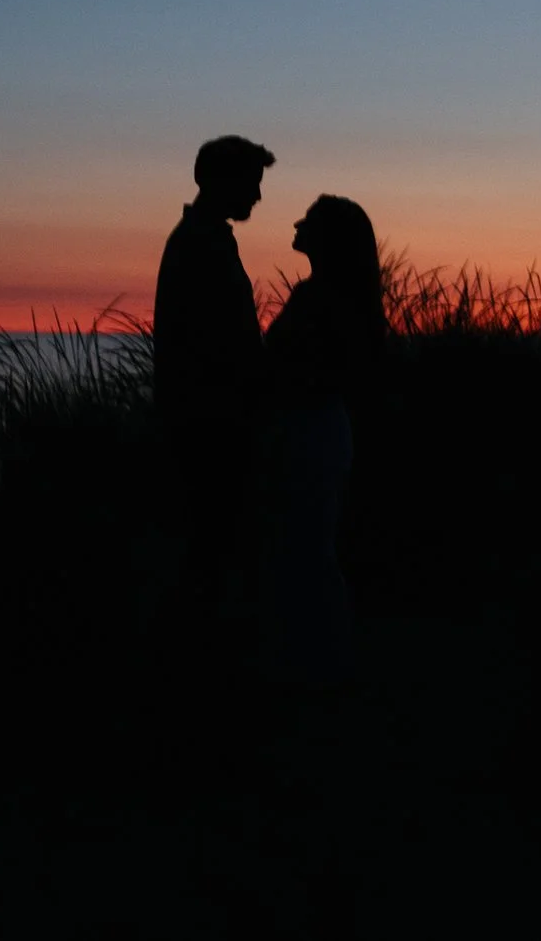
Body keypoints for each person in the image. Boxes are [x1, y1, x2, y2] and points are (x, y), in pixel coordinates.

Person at [259, 194, 383, 686]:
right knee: (307, 550)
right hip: (316, 430)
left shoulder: (323, 299)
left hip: (311, 431)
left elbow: (304, 370)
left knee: (309, 553)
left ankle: (323, 669)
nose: (296, 223)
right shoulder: (329, 294)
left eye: (308, 220)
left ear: (328, 237)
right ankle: (319, 662)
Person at [153, 134, 275, 634]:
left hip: (209, 423)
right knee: (211, 550)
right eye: (251, 183)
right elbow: (214, 343)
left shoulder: (204, 238)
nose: (258, 196)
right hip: (209, 427)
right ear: (217, 181)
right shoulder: (199, 244)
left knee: (210, 551)